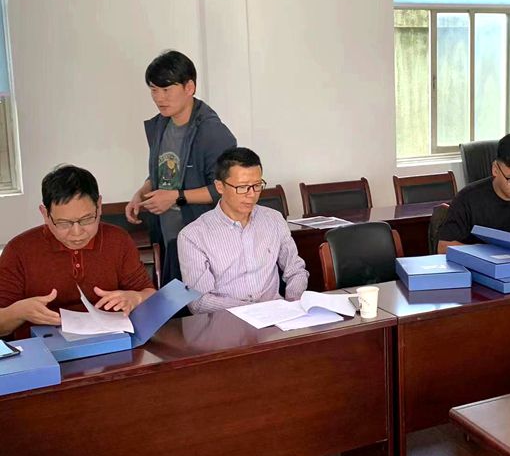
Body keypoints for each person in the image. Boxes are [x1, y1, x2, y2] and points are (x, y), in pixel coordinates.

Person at [0, 165, 156, 338]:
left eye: (86, 219)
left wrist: (136, 298)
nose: (77, 233)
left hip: (112, 345)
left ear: (99, 206)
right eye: (63, 223)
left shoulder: (118, 240)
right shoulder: (18, 251)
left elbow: (151, 296)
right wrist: (18, 312)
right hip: (43, 349)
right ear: (45, 214)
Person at [125, 50, 237, 248]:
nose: (159, 98)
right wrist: (143, 192)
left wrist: (176, 197)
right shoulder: (159, 125)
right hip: (167, 235)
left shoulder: (212, 132)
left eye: (166, 89)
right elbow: (166, 170)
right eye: (154, 90)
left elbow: (226, 188)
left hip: (205, 240)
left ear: (189, 87)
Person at [178, 147, 308, 314]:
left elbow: (296, 270)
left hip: (278, 317)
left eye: (257, 185)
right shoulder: (193, 236)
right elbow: (198, 302)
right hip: (227, 322)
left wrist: (293, 305)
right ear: (220, 186)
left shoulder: (274, 219)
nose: (251, 195)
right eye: (242, 187)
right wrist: (254, 311)